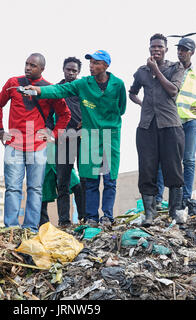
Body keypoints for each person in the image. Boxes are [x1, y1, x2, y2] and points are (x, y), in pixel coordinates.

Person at [25, 50, 127, 227]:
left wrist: (95, 120)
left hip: (105, 137)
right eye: (91, 63)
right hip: (75, 139)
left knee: (106, 179)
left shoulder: (118, 84)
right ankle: (84, 218)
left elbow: (122, 108)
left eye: (96, 63)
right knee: (74, 180)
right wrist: (39, 90)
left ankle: (105, 216)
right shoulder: (82, 85)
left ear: (106, 65)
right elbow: (58, 91)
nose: (91, 66)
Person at [0, 53, 70, 233]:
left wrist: (52, 135)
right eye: (26, 64)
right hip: (14, 145)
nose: (28, 68)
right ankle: (11, 227)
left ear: (42, 69)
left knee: (35, 189)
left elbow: (65, 114)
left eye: (33, 65)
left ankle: (30, 228)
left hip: (37, 147)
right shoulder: (13, 83)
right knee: (12, 188)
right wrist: (0, 131)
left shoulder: (49, 89)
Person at [155, 37, 196, 211]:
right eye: (179, 49)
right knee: (166, 160)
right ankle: (158, 198)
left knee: (189, 160)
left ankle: (185, 198)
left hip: (191, 121)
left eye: (184, 50)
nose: (180, 52)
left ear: (192, 52)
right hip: (171, 121)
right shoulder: (170, 68)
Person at [129, 34, 185, 227]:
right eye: (153, 47)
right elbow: (132, 92)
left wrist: (156, 70)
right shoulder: (141, 71)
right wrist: (143, 103)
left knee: (174, 168)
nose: (156, 49)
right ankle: (149, 214)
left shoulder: (175, 67)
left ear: (166, 49)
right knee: (147, 170)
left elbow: (173, 91)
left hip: (170, 125)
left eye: (160, 47)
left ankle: (175, 212)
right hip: (146, 127)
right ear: (149, 48)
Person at [45, 57, 86, 226]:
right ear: (63, 69)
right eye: (68, 69)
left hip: (83, 139)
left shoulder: (83, 90)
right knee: (62, 181)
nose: (71, 73)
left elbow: (92, 108)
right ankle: (64, 221)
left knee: (84, 179)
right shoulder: (56, 90)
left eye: (74, 71)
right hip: (62, 141)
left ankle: (86, 217)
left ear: (78, 73)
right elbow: (47, 116)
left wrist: (88, 122)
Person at [39, 142, 83, 228]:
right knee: (42, 192)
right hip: (43, 155)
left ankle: (82, 217)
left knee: (76, 185)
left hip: (59, 151)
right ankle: (44, 223)